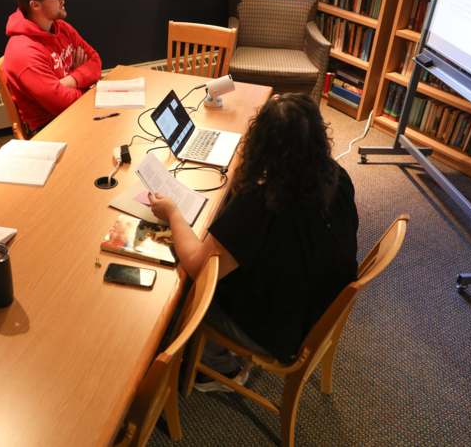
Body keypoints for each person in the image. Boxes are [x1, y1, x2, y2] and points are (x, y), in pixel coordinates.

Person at [149, 93, 359, 391]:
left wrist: (172, 213)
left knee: (185, 288)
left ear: (260, 144)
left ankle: (220, 366)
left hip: (280, 330)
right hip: (318, 307)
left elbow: (199, 266)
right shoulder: (337, 177)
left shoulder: (262, 203)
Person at [2, 0, 102, 133]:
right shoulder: (23, 53)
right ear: (35, 5)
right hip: (51, 128)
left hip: (76, 111)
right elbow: (61, 105)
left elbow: (95, 62)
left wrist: (70, 80)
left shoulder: (61, 27)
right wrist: (85, 84)